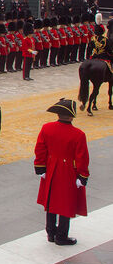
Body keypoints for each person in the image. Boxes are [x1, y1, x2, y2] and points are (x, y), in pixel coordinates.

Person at [35, 98, 89, 246]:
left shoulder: (46, 128)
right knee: (66, 203)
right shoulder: (78, 134)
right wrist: (82, 175)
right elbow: (82, 158)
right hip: (68, 171)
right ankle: (61, 236)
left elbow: (40, 149)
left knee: (51, 201)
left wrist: (40, 167)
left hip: (51, 168)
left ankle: (51, 233)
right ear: (71, 116)